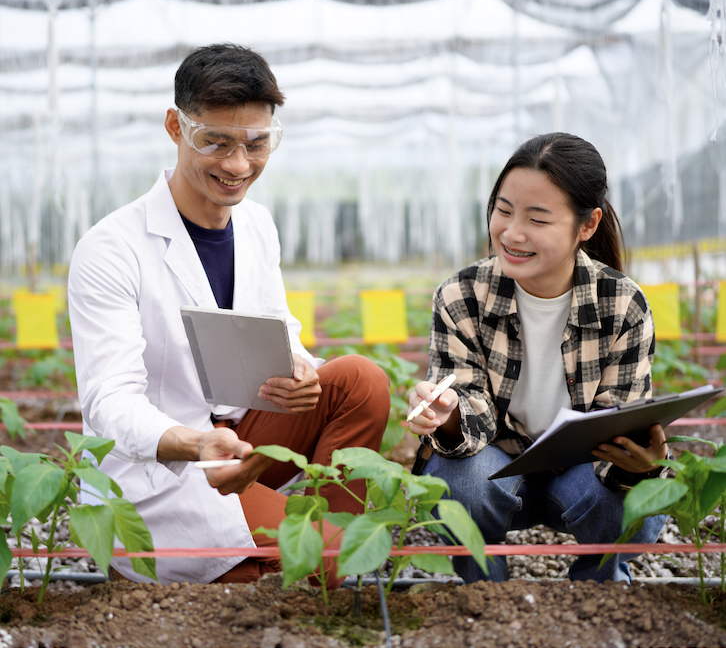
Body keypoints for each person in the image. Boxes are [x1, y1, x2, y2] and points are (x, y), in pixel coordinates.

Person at [68, 43, 390, 586]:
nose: (238, 165)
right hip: (171, 463)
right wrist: (195, 443)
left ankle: (314, 543)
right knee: (289, 561)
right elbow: (110, 402)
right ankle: (309, 555)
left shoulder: (257, 225)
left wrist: (299, 368)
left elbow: (276, 325)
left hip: (245, 434)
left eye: (256, 144)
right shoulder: (111, 249)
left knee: (361, 380)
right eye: (215, 141)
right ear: (176, 126)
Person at [407, 132, 668, 583]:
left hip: (584, 476)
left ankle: (597, 586)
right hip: (496, 467)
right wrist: (447, 416)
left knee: (635, 507)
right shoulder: (461, 296)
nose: (511, 233)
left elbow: (618, 422)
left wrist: (636, 468)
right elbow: (466, 416)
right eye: (503, 210)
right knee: (461, 484)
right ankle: (484, 590)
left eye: (538, 219)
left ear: (586, 226)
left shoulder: (621, 304)